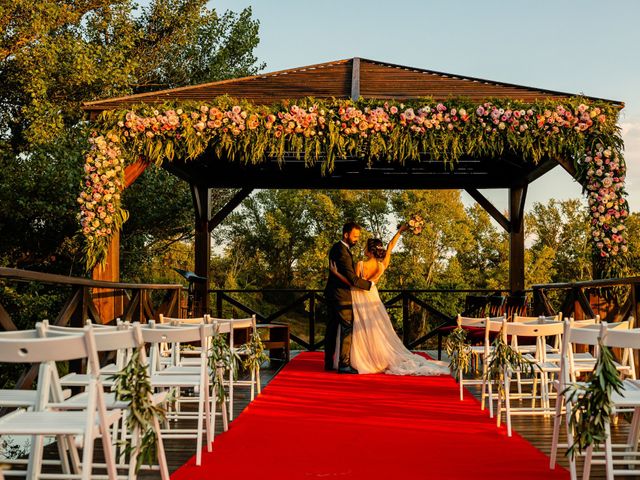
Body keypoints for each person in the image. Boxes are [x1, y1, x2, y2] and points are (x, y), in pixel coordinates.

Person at [330, 224, 449, 376]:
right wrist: (400, 232)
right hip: (372, 298)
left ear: (369, 250)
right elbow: (390, 246)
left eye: (365, 246)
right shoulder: (381, 265)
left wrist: (336, 273)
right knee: (374, 330)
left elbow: (352, 281)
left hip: (358, 296)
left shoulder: (360, 264)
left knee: (358, 330)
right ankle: (375, 357)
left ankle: (360, 358)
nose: (363, 249)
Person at [324, 222, 373, 374]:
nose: (357, 239)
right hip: (341, 296)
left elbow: (338, 274)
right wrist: (370, 285)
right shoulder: (343, 252)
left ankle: (328, 362)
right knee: (347, 327)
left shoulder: (335, 247)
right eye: (355, 236)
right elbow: (352, 279)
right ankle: (344, 364)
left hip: (331, 293)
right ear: (346, 235)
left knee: (331, 328)